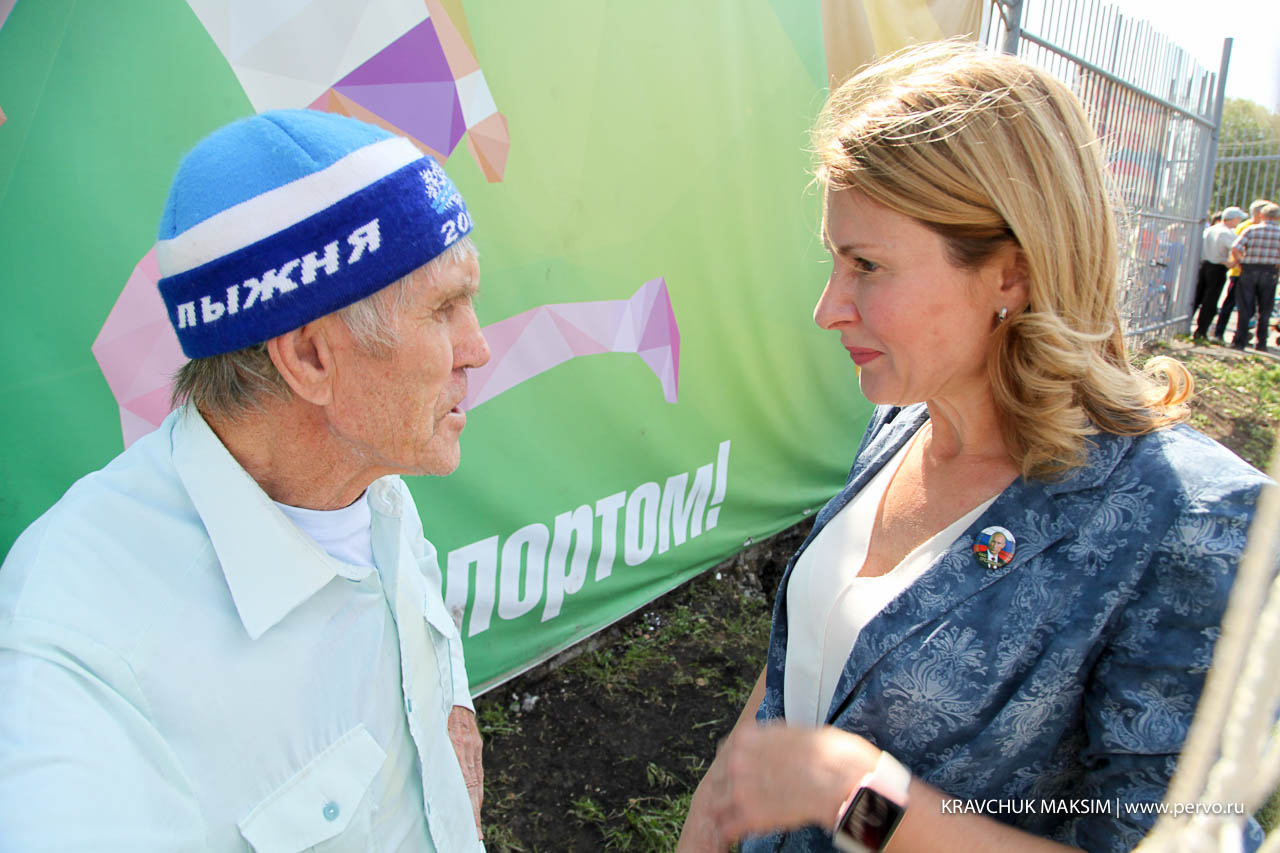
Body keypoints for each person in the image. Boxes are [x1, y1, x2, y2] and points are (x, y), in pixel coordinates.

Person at [678, 42, 1267, 853]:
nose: (828, 308)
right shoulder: (906, 420)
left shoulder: (1192, 523)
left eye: (867, 265)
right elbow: (802, 664)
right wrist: (711, 814)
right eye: (834, 260)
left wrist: (863, 802)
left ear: (1010, 274)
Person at [0, 110, 492, 850]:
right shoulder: (77, 665)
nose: (477, 348)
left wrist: (450, 719)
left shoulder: (360, 474)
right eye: (444, 309)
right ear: (311, 359)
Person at [1212, 199, 1271, 342]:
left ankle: (1242, 335)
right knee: (1230, 304)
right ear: (1259, 213)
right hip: (1239, 273)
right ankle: (1219, 333)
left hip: (1252, 273)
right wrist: (1240, 264)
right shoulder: (1245, 227)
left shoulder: (1259, 228)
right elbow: (1234, 248)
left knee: (1250, 308)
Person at [1229, 202, 1280, 352]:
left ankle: (1240, 341)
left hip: (1249, 270)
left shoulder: (1251, 230)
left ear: (1262, 215)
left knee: (1245, 307)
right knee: (1265, 309)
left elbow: (1235, 248)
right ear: (1278, 217)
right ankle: (1261, 343)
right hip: (1270, 272)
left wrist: (1241, 262)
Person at [1192, 206, 1246, 342]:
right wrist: (1234, 262)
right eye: (1238, 219)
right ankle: (1201, 331)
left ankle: (1188, 324)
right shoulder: (1227, 233)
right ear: (1233, 219)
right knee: (1210, 301)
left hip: (1203, 265)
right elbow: (1236, 248)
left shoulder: (1209, 230)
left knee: (1197, 297)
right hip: (1217, 268)